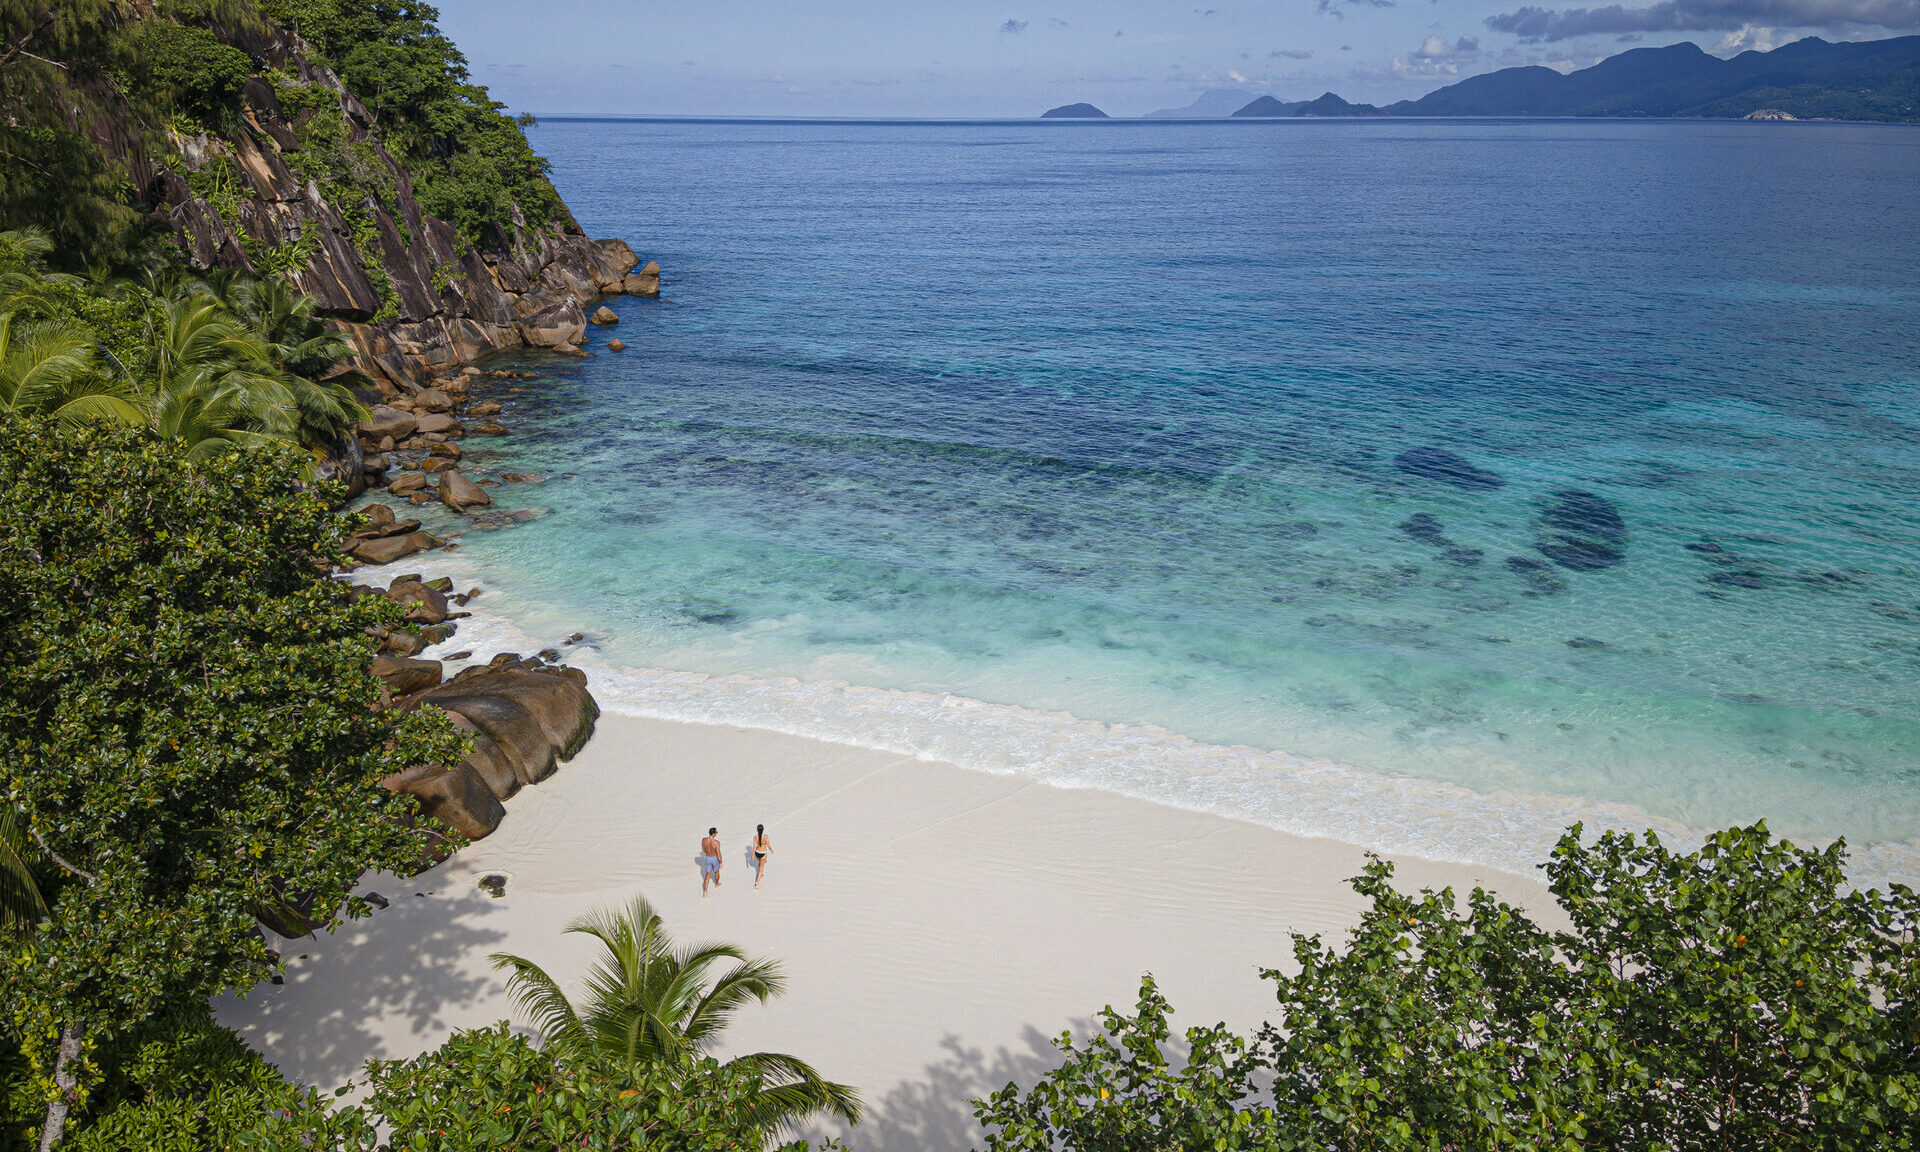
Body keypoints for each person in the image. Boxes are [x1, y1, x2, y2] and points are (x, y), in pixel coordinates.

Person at [700, 827, 722, 896]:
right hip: (714, 858)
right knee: (716, 872)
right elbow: (718, 853)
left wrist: (707, 852)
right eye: (716, 832)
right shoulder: (716, 843)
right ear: (714, 833)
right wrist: (720, 861)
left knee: (707, 875)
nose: (717, 832)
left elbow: (703, 849)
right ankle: (717, 883)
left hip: (707, 858)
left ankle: (705, 892)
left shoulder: (703, 840)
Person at [750, 824, 771, 888]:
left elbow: (754, 846)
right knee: (761, 868)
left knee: (759, 863)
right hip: (763, 853)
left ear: (757, 830)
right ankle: (757, 882)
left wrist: (753, 854)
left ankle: (760, 874)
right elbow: (768, 845)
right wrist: (771, 849)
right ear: (763, 830)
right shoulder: (766, 836)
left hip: (757, 853)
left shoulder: (755, 837)